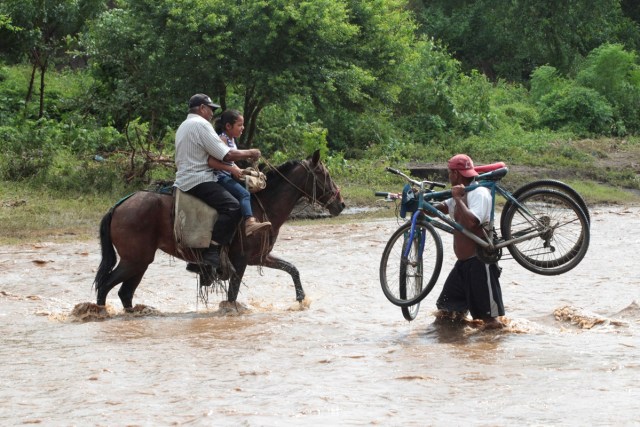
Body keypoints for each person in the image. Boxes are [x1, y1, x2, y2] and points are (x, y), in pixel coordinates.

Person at [173, 93, 263, 269]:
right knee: (233, 206)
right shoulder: (201, 124)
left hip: (185, 176)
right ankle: (212, 250)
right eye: (210, 109)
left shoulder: (184, 125)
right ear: (202, 108)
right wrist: (251, 152)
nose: (212, 113)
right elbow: (226, 154)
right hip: (199, 178)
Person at [433, 154, 505, 329]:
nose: (449, 176)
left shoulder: (479, 193)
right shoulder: (460, 193)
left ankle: (489, 351)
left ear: (456, 174)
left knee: (491, 323)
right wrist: (418, 205)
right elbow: (441, 207)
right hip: (463, 265)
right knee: (446, 315)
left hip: (480, 264)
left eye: (450, 173)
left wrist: (458, 199)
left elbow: (473, 222)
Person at [208, 109, 271, 236]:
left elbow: (229, 161)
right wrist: (232, 169)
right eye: (239, 125)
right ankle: (249, 223)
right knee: (244, 194)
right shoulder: (223, 139)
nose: (242, 128)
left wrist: (239, 169)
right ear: (228, 126)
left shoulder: (231, 140)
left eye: (243, 125)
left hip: (228, 175)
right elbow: (212, 162)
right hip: (220, 177)